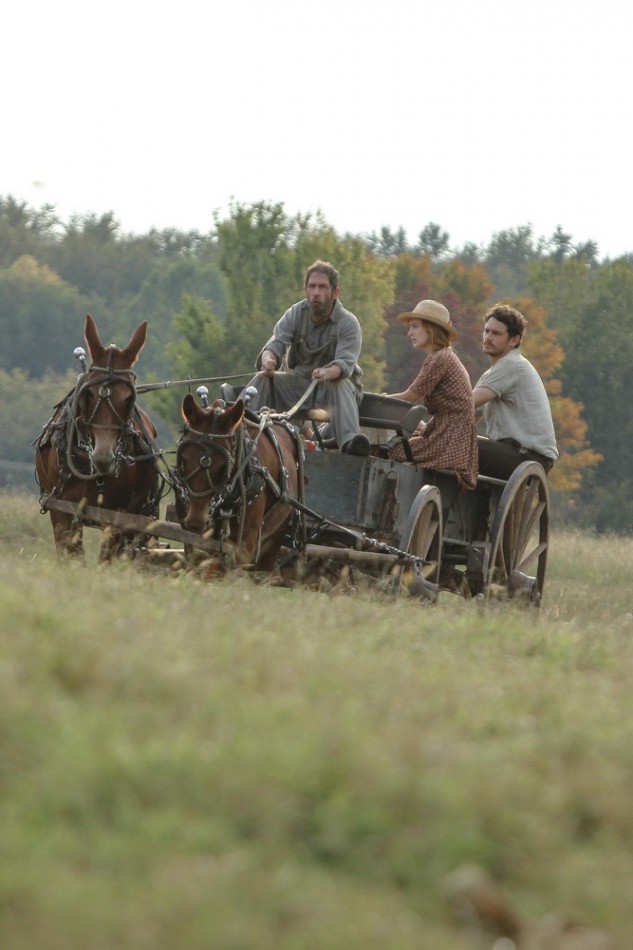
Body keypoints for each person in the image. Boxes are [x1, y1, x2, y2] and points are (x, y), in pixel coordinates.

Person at [249, 260, 370, 456]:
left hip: (335, 390)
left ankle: (350, 443)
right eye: (312, 286)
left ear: (335, 293)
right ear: (306, 289)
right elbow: (277, 342)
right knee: (264, 378)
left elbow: (344, 365)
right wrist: (269, 359)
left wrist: (327, 372)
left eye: (322, 287)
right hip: (300, 385)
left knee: (338, 384)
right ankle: (238, 427)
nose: (316, 292)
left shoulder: (348, 323)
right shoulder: (296, 313)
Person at [385, 299, 478, 491]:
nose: (410, 333)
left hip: (449, 439)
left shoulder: (440, 359)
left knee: (389, 450)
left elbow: (410, 397)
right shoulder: (441, 356)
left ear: (431, 329)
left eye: (415, 327)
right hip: (444, 431)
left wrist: (382, 399)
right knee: (397, 442)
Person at [473, 303, 558, 478]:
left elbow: (467, 403)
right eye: (486, 331)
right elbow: (468, 415)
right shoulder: (493, 373)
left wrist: (434, 410)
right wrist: (432, 430)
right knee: (452, 441)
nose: (488, 337)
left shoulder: (512, 365)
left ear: (514, 340)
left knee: (458, 445)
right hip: (512, 453)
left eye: (496, 333)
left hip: (528, 458)